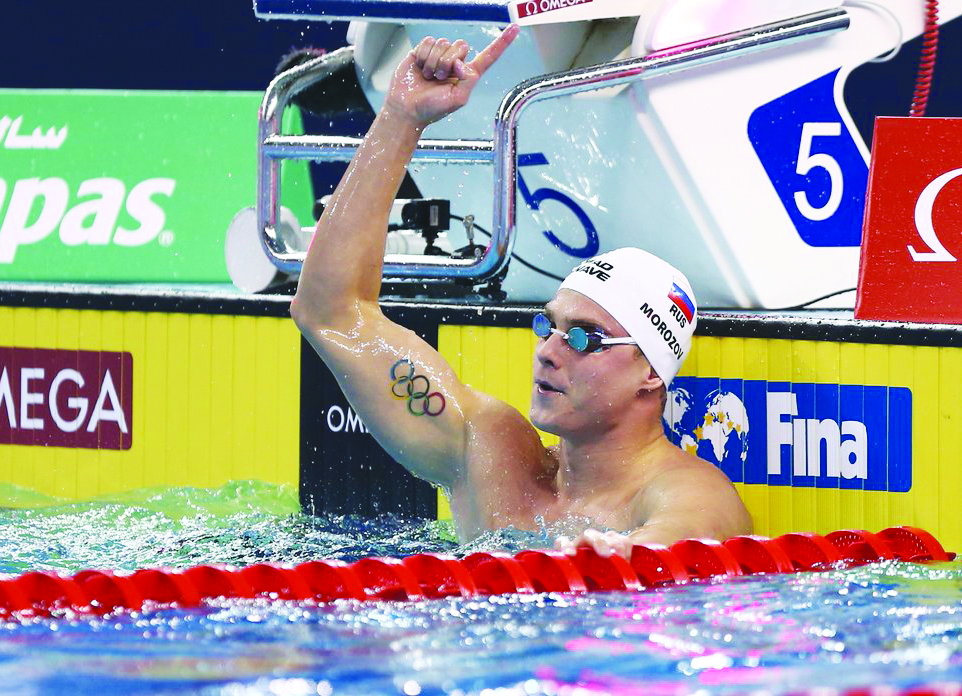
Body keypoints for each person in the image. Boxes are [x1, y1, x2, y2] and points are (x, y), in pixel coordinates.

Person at [289, 25, 751, 557]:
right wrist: (399, 118)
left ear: (650, 373)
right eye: (548, 325)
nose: (549, 352)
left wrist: (625, 556)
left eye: (585, 339)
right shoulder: (489, 454)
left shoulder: (682, 492)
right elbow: (331, 312)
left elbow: (685, 534)